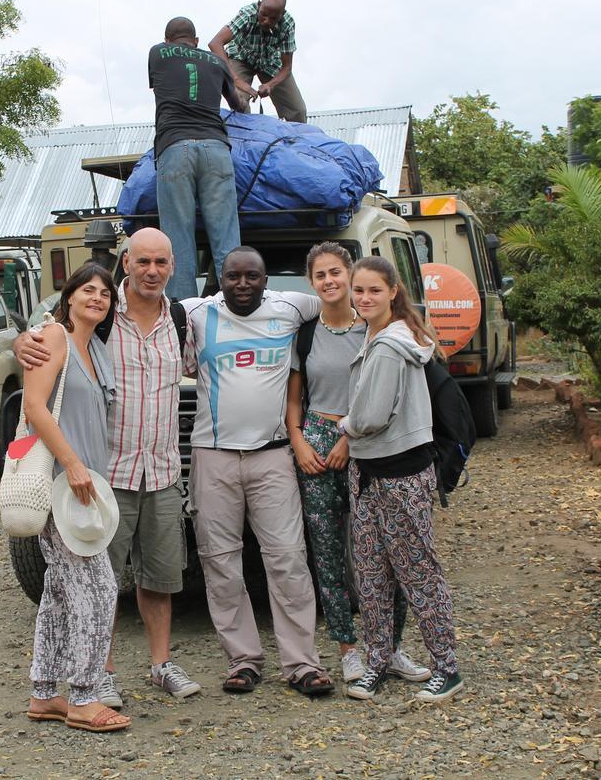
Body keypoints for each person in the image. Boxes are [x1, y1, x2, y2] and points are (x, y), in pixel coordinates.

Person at [14, 229, 202, 708]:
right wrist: (23, 340)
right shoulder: (102, 317)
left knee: (160, 579)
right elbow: (50, 335)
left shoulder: (183, 318)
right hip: (104, 476)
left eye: (161, 262)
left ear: (173, 266)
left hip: (161, 471)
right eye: (142, 261)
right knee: (101, 585)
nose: (152, 270)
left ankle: (160, 665)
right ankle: (101, 675)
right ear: (126, 263)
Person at [183, 246, 334, 696]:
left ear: (267, 280)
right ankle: (243, 660)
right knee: (220, 562)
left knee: (287, 559)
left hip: (273, 456)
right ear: (218, 279)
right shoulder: (195, 311)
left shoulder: (292, 306)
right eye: (233, 277)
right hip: (213, 456)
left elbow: (346, 300)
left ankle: (302, 663)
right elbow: (129, 303)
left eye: (252, 276)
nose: (242, 284)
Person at [284, 243, 430, 688]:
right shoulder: (305, 333)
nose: (329, 281)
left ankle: (391, 647)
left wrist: (350, 438)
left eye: (336, 273)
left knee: (383, 552)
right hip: (315, 441)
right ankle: (348, 648)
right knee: (326, 552)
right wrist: (298, 440)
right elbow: (294, 396)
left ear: (350, 275)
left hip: (367, 445)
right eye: (320, 275)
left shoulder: (374, 327)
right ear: (311, 283)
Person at [338, 256, 464, 703]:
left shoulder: (392, 345)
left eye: (374, 290)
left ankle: (446, 667)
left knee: (417, 572)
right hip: (370, 473)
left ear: (393, 291)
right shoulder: (379, 337)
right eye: (359, 290)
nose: (364, 298)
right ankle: (379, 659)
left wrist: (344, 425)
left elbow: (370, 416)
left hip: (400, 473)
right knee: (372, 573)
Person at [22, 264, 129, 733]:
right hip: (62, 483)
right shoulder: (55, 336)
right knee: (100, 589)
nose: (98, 298)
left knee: (60, 592)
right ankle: (84, 697)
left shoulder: (95, 348)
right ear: (68, 297)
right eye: (89, 289)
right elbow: (33, 406)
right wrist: (71, 461)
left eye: (105, 293)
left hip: (84, 487)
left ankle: (45, 693)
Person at [148, 16, 249, 301]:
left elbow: (162, 87)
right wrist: (246, 96)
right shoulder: (216, 62)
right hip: (216, 150)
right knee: (227, 240)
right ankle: (238, 308)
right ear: (195, 40)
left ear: (168, 40)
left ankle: (183, 316)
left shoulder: (158, 53)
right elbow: (238, 105)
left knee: (178, 240)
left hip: (174, 147)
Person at [208, 0, 307, 123]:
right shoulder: (247, 14)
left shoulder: (287, 24)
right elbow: (215, 43)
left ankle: (296, 141)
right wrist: (236, 80)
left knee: (298, 111)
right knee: (239, 103)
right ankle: (245, 138)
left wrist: (270, 85)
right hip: (241, 57)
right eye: (263, 15)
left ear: (281, 15)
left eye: (273, 18)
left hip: (270, 62)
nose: (266, 21)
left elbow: (287, 67)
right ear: (259, 5)